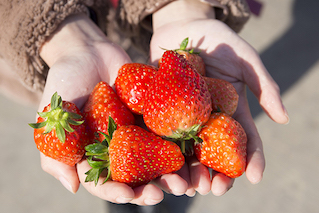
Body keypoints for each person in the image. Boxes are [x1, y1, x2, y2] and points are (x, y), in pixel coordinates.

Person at [0, 0, 289, 210]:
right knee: (137, 177)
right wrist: (63, 38)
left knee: (172, 176)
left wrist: (183, 7)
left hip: (158, 49)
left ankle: (163, 199)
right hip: (49, 38)